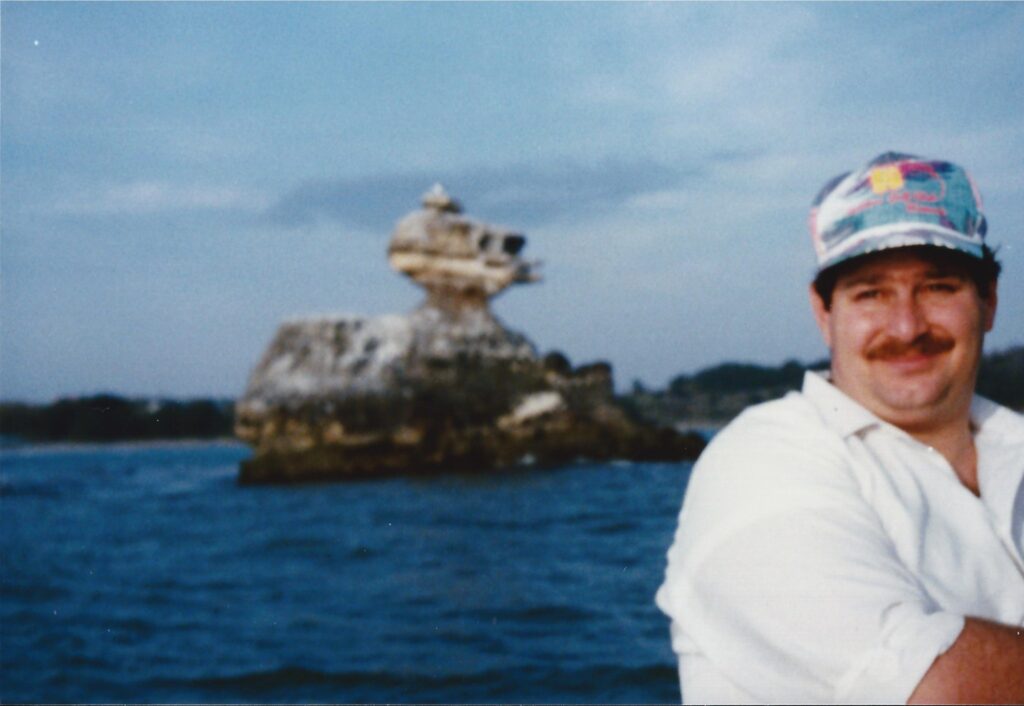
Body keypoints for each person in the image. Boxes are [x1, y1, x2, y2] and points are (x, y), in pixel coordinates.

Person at [655, 152, 1024, 704]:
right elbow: (940, 690)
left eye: (939, 286)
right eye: (871, 293)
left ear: (988, 301)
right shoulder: (761, 462)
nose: (906, 326)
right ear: (824, 313)